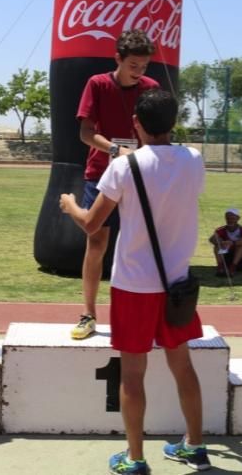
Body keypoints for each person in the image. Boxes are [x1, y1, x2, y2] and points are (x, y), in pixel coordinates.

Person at [60, 88, 211, 475]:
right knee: (183, 368)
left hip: (134, 285)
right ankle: (194, 446)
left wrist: (69, 205)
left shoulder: (124, 167)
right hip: (176, 283)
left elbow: (92, 223)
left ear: (136, 125)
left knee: (132, 374)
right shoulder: (194, 161)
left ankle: (136, 457)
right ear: (174, 123)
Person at [71, 30, 159, 340]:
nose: (139, 72)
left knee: (140, 246)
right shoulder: (97, 84)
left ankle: (146, 314)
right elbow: (85, 133)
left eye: (144, 66)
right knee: (96, 242)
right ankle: (88, 314)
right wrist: (116, 151)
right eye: (134, 65)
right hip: (101, 174)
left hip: (140, 176)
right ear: (118, 59)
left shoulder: (152, 88)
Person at [209, 207, 242, 276]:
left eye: (232, 218)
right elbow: (212, 239)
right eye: (228, 218)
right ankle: (220, 267)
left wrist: (232, 243)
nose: (230, 220)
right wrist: (221, 242)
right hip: (226, 255)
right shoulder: (221, 229)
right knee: (217, 245)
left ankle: (233, 267)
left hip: (239, 258)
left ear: (238, 218)